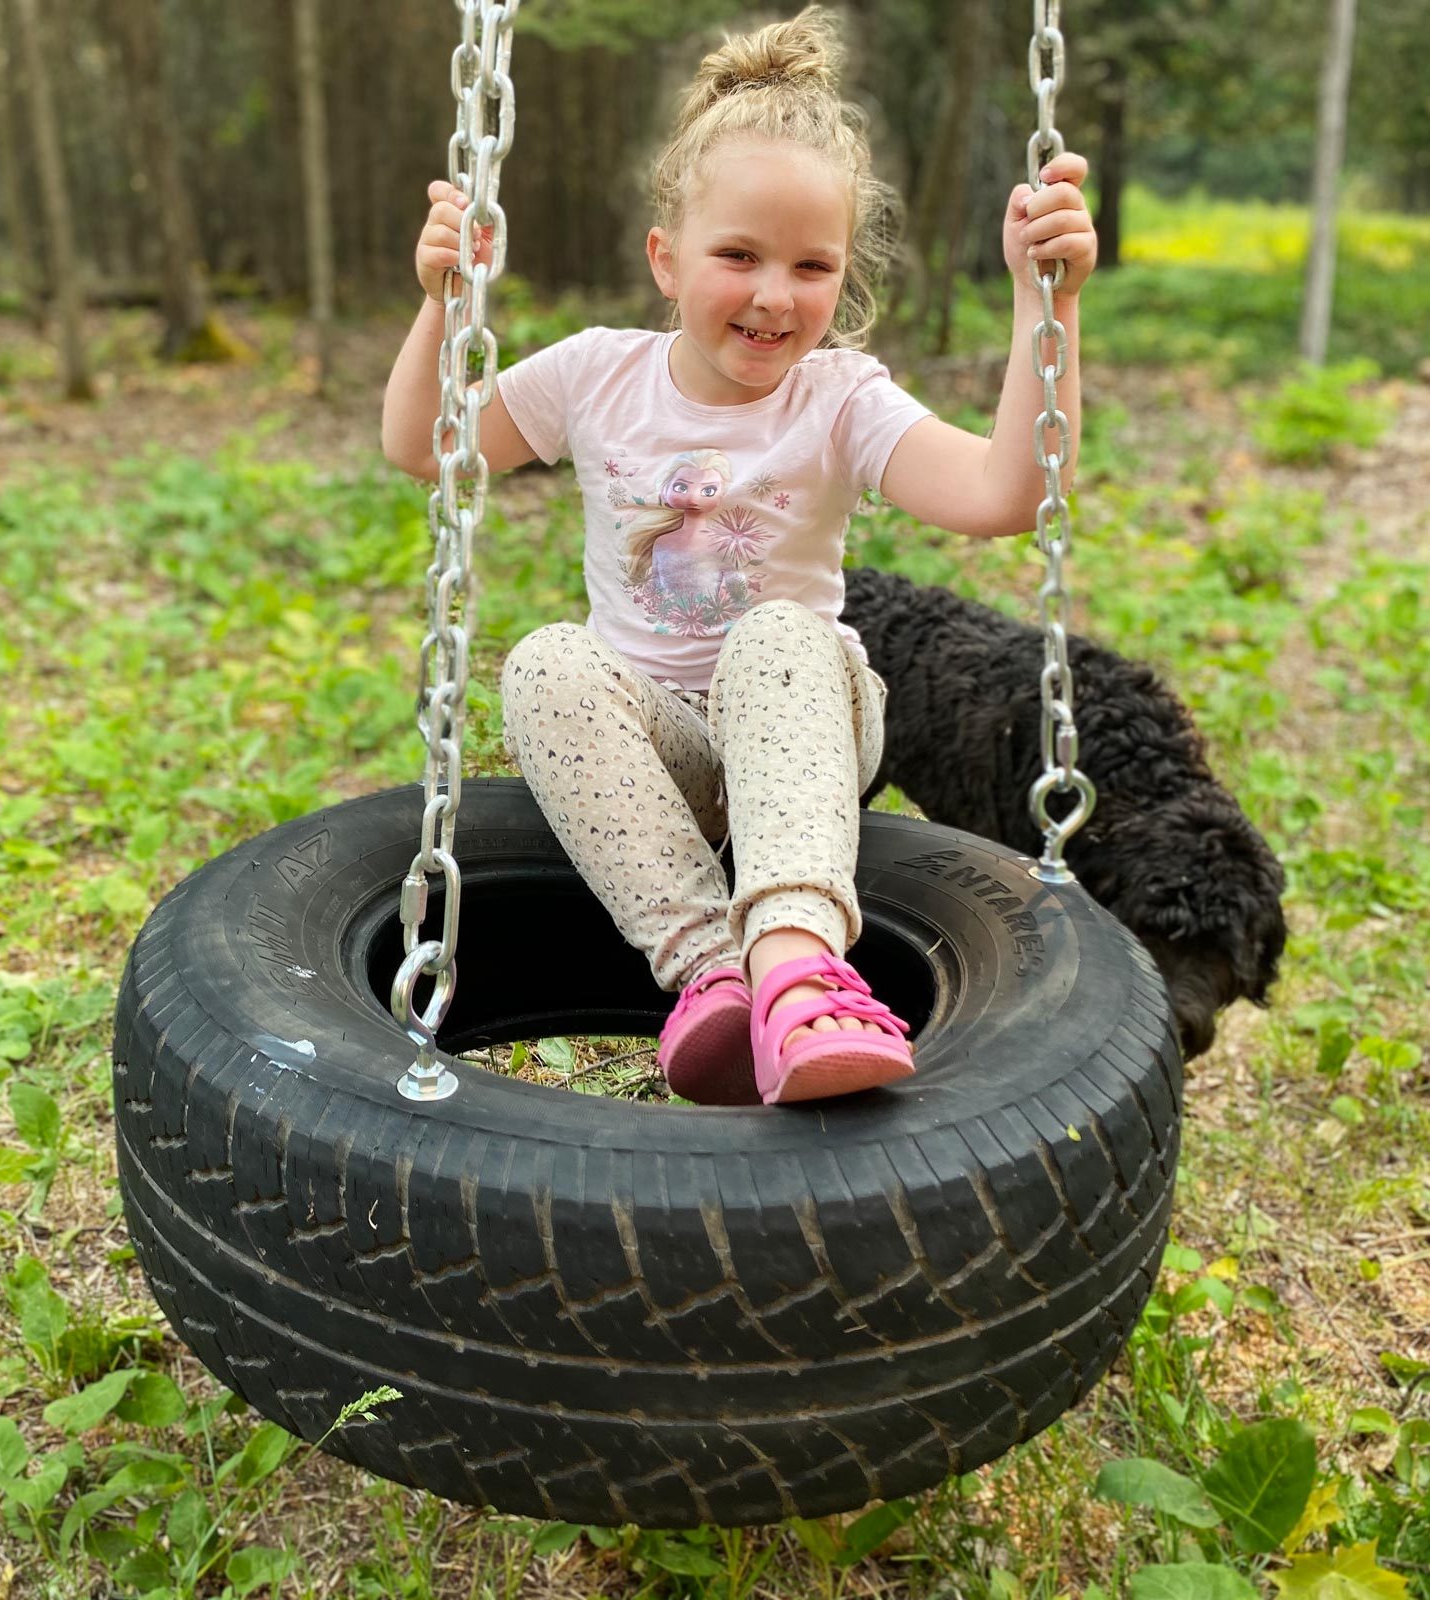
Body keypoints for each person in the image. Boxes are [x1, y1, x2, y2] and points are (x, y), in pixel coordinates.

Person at [382, 5, 1097, 1108]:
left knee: (771, 634)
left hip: (808, 723)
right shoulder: (594, 376)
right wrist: (444, 304)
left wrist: (1041, 304)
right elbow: (427, 447)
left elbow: (1005, 492)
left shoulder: (839, 396)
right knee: (544, 662)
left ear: (843, 274)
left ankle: (799, 964)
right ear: (666, 259)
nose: (774, 295)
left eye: (812, 265)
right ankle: (710, 976)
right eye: (738, 256)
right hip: (657, 751)